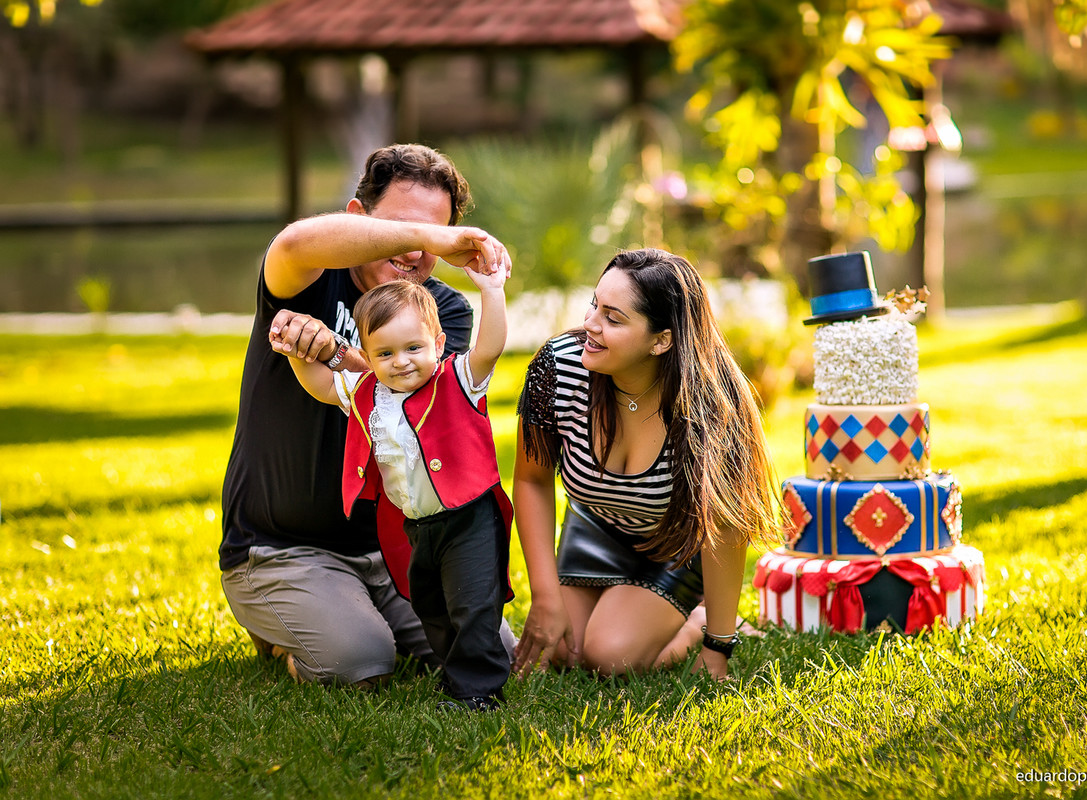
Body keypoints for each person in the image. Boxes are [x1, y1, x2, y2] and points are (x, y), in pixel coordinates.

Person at [220, 143, 514, 686]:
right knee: (360, 661)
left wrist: (337, 354)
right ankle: (292, 618)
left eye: (435, 234)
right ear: (358, 219)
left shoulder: (440, 311)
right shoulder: (308, 275)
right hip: (285, 548)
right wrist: (430, 238)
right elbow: (293, 241)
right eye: (401, 229)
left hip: (397, 548)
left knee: (494, 646)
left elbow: (403, 394)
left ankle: (355, 612)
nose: (415, 253)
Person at [511, 248, 778, 681]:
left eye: (614, 319)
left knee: (608, 656)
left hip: (675, 545)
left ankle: (695, 621)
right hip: (595, 528)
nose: (590, 326)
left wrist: (717, 647)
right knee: (564, 650)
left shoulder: (712, 406)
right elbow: (532, 480)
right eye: (594, 305)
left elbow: (727, 530)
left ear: (662, 340)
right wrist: (544, 596)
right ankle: (622, 607)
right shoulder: (558, 368)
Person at [271, 275, 513, 711]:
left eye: (413, 348)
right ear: (366, 356)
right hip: (418, 528)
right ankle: (454, 668)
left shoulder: (457, 378)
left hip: (469, 519)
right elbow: (321, 385)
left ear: (438, 344)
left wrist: (492, 290)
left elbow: (490, 347)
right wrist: (296, 352)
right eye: (385, 353)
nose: (401, 362)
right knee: (430, 605)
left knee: (473, 606)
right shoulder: (368, 392)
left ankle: (477, 692)